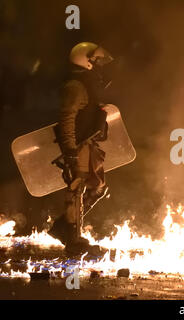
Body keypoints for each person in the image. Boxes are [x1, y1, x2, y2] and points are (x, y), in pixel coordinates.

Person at [49, 42, 113, 255]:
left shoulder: (87, 84)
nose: (98, 65)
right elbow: (67, 119)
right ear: (85, 61)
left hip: (88, 143)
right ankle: (73, 241)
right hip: (77, 145)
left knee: (98, 186)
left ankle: (63, 228)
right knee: (77, 188)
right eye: (95, 61)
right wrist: (70, 151)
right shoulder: (75, 87)